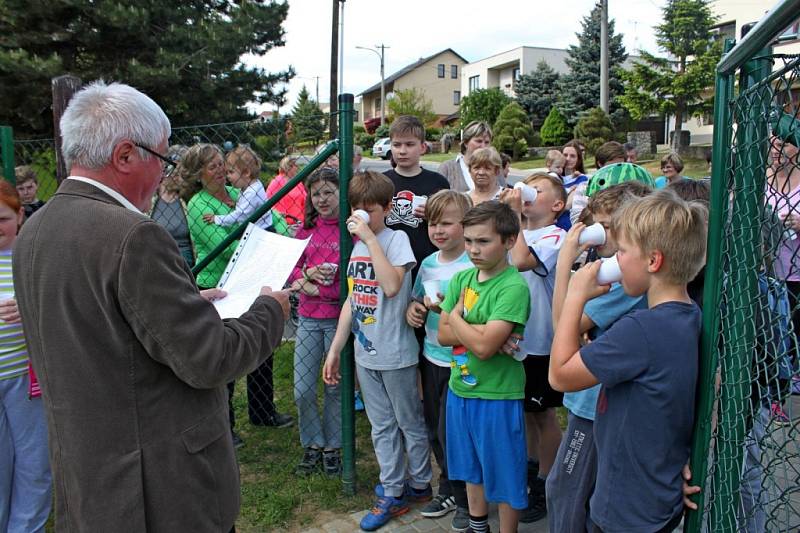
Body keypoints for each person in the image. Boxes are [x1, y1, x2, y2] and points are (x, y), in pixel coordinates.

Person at [12, 81, 290, 532]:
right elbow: (209, 359)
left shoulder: (36, 228)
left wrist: (180, 305)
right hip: (160, 491)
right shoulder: (133, 236)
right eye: (162, 159)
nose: (166, 175)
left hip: (91, 482)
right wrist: (269, 309)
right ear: (125, 156)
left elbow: (94, 326)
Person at [549, 189, 707, 533]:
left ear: (653, 261)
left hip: (624, 507)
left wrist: (576, 292)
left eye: (622, 252)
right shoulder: (690, 316)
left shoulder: (640, 330)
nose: (615, 261)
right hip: (656, 495)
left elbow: (560, 375)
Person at [323, 171, 432, 531]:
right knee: (381, 426)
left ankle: (419, 483)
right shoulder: (358, 246)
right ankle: (393, 488)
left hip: (396, 353)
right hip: (366, 353)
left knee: (409, 422)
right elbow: (354, 299)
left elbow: (389, 286)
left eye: (369, 210)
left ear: (387, 208)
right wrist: (337, 348)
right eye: (356, 209)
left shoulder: (395, 239)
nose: (361, 216)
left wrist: (370, 238)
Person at [546, 181, 652, 532]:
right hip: (593, 400)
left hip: (595, 405)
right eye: (599, 224)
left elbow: (561, 323)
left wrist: (565, 264)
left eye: (609, 228)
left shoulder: (622, 280)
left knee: (565, 490)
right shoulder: (611, 269)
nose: (600, 234)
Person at [438, 201, 532, 533]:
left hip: (498, 397)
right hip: (460, 390)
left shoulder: (513, 287)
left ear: (508, 241)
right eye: (469, 241)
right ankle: (479, 527)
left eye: (483, 241)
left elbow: (482, 347)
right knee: (470, 469)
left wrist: (458, 317)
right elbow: (441, 334)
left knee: (505, 474)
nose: (473, 250)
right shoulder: (462, 278)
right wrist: (481, 331)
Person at [405, 190, 474, 531]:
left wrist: (450, 307)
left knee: (455, 433)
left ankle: (465, 498)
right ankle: (448, 486)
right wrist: (415, 310)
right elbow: (418, 300)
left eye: (447, 223)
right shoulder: (429, 263)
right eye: (433, 223)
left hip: (465, 362)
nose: (438, 230)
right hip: (432, 357)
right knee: (435, 428)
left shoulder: (475, 264)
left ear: (466, 225)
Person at [501, 173, 567, 524]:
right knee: (525, 411)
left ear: (557, 205)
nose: (529, 192)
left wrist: (513, 216)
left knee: (543, 414)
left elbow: (524, 260)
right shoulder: (519, 233)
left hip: (541, 342)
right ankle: (529, 471)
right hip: (516, 340)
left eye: (538, 190)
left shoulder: (557, 235)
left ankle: (546, 483)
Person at [0, 181, 51, 532]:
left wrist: (30, 307)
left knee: (35, 464)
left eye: (1, 219)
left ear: (19, 216)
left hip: (27, 383)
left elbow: (61, 308)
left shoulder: (33, 259)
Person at [287, 167, 342, 477]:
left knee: (334, 387)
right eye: (316, 193)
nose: (322, 199)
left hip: (337, 318)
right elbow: (292, 268)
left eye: (328, 192)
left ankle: (333, 446)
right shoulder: (306, 230)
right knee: (303, 388)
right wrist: (305, 279)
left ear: (339, 193)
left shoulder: (348, 230)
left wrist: (328, 286)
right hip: (309, 315)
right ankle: (312, 442)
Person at [383, 115, 450, 278]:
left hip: (426, 264)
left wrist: (433, 215)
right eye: (396, 145)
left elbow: (451, 222)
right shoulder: (382, 181)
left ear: (422, 147)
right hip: (387, 263)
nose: (402, 150)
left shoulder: (437, 182)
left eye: (409, 144)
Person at [203, 146, 273, 230]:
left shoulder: (252, 192)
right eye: (227, 172)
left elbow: (239, 215)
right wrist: (237, 204)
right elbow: (251, 207)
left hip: (262, 231)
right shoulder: (251, 186)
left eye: (231, 172)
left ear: (246, 172)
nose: (227, 176)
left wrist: (217, 219)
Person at [148, 144, 194, 266]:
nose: (178, 175)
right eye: (175, 168)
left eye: (183, 171)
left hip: (187, 264)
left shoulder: (189, 199)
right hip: (157, 262)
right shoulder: (149, 200)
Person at [438, 121, 495, 192]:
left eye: (486, 142)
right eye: (479, 141)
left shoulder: (495, 168)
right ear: (465, 143)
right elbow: (437, 200)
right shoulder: (447, 168)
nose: (483, 146)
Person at [558, 140, 589, 231]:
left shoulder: (582, 180)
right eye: (565, 155)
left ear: (578, 160)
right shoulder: (554, 178)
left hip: (568, 225)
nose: (568, 159)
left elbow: (568, 205)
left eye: (572, 156)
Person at [266, 155, 305, 226]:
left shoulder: (298, 182)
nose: (297, 168)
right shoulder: (276, 181)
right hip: (283, 223)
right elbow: (269, 201)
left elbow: (305, 199)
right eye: (295, 165)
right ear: (288, 167)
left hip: (300, 222)